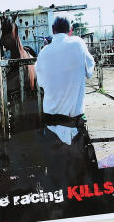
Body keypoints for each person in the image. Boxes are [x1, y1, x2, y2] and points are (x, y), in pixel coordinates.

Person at [35, 16, 94, 146]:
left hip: (52, 127)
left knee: (52, 165)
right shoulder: (79, 44)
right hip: (75, 128)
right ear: (71, 30)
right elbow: (90, 71)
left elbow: (41, 83)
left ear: (52, 30)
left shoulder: (43, 53)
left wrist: (47, 48)